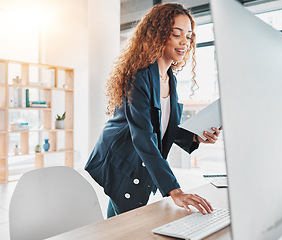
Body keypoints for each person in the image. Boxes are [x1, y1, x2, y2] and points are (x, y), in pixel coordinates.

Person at [85, 2, 221, 218]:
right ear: (158, 35)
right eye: (177, 34)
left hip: (139, 160)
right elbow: (143, 136)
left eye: (188, 36)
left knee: (120, 222)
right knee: (128, 221)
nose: (184, 42)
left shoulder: (170, 79)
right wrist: (174, 190)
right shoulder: (139, 77)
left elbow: (163, 124)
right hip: (121, 160)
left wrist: (195, 137)